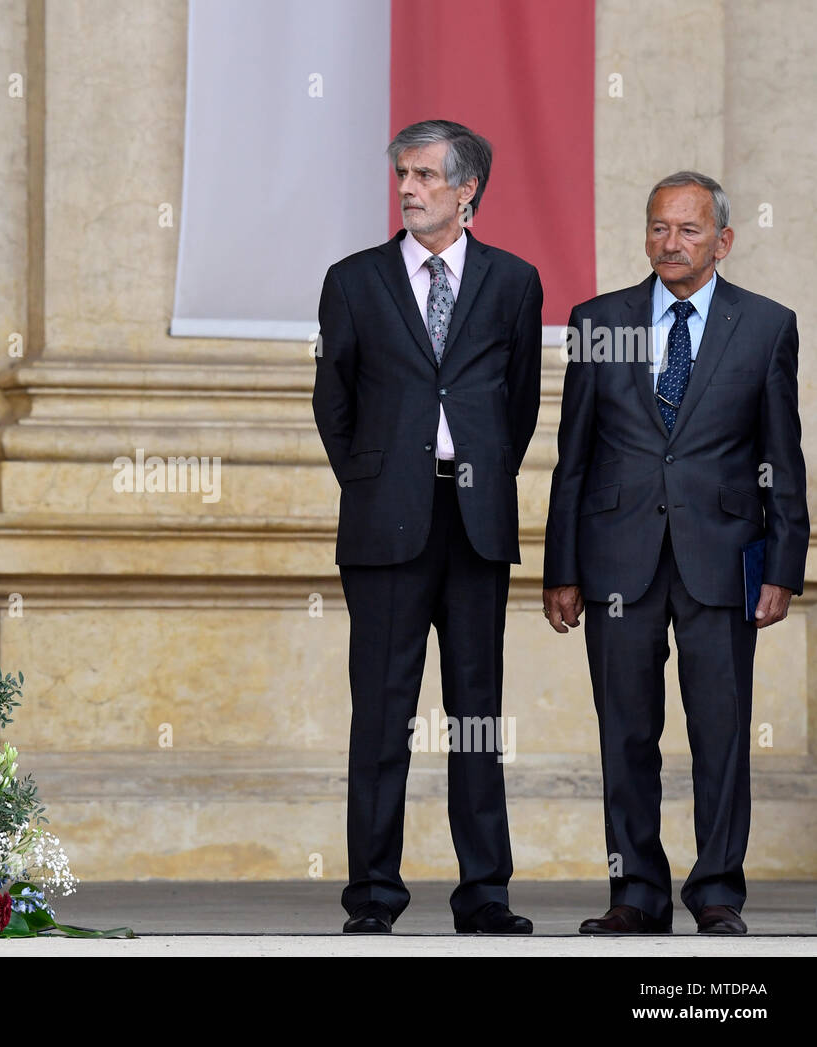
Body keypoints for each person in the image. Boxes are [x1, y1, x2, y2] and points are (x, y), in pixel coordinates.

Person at [543, 171, 807, 935]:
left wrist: (784, 565)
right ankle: (637, 894)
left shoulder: (765, 325)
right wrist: (562, 568)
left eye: (689, 230)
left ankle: (718, 890)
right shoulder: (598, 320)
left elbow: (781, 455)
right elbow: (573, 458)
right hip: (616, 557)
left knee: (721, 730)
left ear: (722, 240)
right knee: (626, 728)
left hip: (722, 556)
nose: (671, 242)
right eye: (659, 227)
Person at [313, 119, 542, 934]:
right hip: (386, 526)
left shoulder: (515, 281)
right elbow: (332, 403)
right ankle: (373, 897)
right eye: (401, 175)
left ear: (467, 189)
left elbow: (516, 405)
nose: (408, 189)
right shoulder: (353, 280)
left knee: (477, 713)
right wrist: (377, 482)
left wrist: (472, 476)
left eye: (424, 176)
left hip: (475, 522)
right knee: (380, 715)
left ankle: (485, 895)